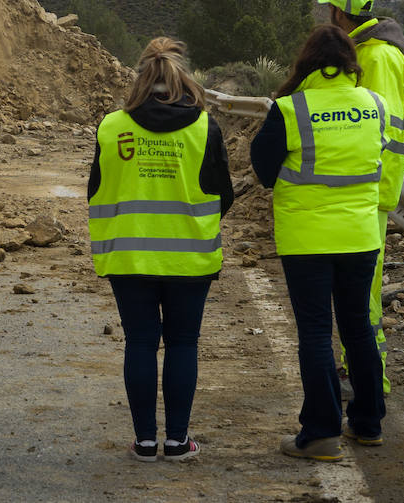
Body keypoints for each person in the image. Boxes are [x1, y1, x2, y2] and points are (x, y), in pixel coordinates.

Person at [88, 37, 236, 463]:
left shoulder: (112, 126)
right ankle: (177, 441)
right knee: (183, 342)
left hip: (129, 256)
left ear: (140, 75)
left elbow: (94, 189)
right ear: (181, 75)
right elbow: (223, 194)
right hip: (189, 257)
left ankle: (143, 442)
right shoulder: (205, 127)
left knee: (139, 342)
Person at [249, 24, 388, 461]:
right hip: (361, 234)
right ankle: (367, 424)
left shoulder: (291, 109)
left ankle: (322, 432)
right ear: (350, 62)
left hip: (306, 238)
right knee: (358, 328)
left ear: (306, 62)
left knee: (314, 331)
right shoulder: (375, 105)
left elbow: (263, 171)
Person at [320, 0, 404, 397]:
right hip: (373, 184)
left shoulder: (376, 55)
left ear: (338, 13)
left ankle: (371, 377)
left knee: (363, 291)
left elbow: (377, 126)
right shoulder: (385, 47)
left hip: (370, 186)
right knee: (358, 287)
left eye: (328, 10)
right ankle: (361, 369)